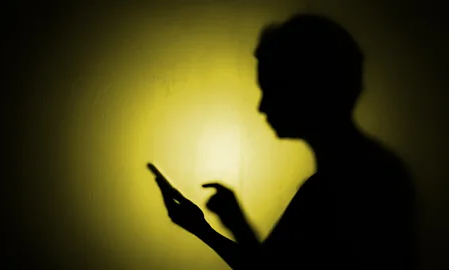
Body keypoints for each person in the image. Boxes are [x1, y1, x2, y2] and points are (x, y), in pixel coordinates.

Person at [152, 13, 417, 269]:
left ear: (311, 87)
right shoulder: (364, 173)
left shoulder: (348, 184)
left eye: (273, 88)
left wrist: (236, 226)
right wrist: (204, 229)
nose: (262, 106)